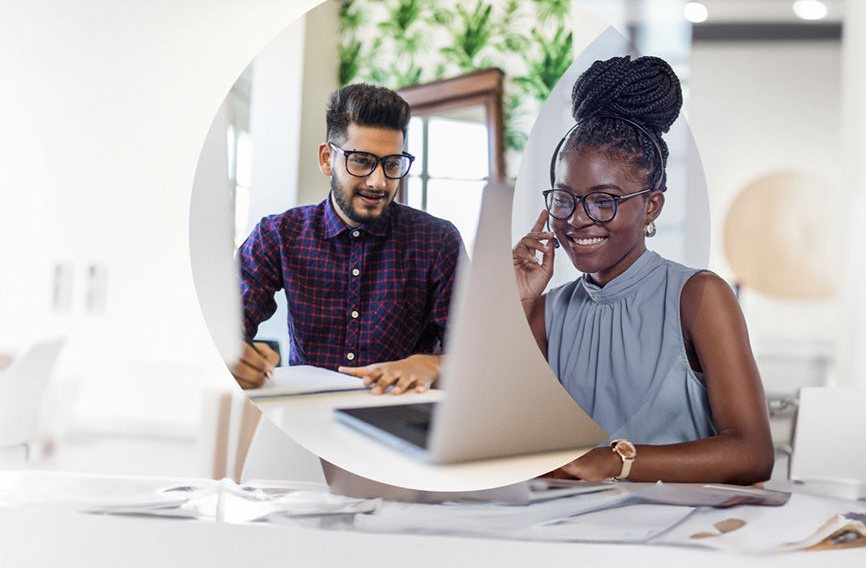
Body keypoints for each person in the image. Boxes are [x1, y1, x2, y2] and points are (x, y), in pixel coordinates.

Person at [513, 56, 773, 485]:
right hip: (570, 533)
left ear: (651, 206)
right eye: (564, 199)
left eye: (603, 200)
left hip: (680, 537)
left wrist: (614, 461)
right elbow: (504, 431)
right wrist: (520, 301)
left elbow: (752, 452)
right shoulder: (546, 312)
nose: (577, 219)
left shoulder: (699, 297)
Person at [231, 83, 464, 395]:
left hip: (402, 417)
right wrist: (231, 354)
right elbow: (223, 324)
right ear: (328, 159)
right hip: (304, 417)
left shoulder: (438, 241)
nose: (378, 181)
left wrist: (431, 364)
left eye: (392, 163)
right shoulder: (277, 235)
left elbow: (477, 355)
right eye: (362, 160)